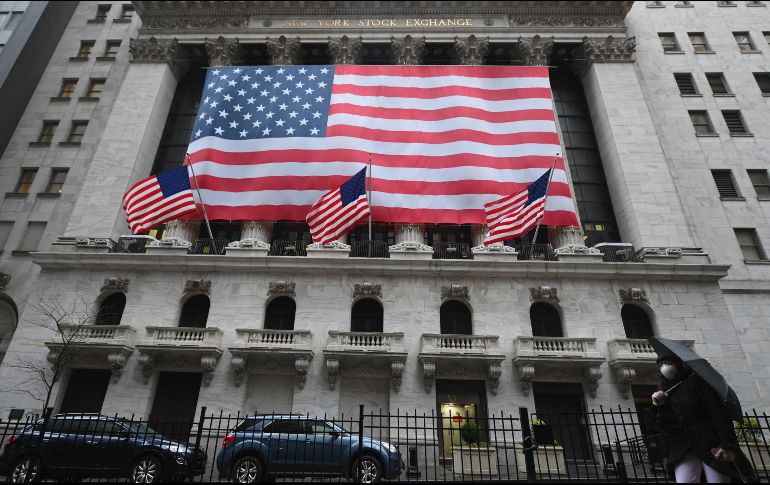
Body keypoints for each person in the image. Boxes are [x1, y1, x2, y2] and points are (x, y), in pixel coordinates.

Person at [651, 354, 757, 483]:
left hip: (710, 443)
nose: (664, 367)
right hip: (684, 447)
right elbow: (664, 425)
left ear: (677, 363)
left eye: (667, 362)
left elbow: (719, 414)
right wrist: (659, 405)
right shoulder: (664, 388)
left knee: (717, 480)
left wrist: (727, 444)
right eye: (659, 365)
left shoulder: (698, 381)